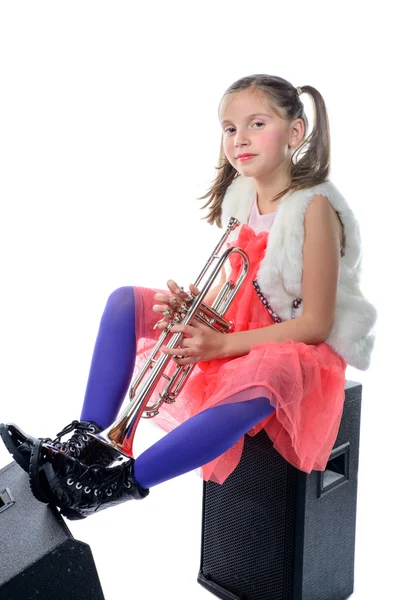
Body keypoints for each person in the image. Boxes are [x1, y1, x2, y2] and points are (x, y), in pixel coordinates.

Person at [0, 74, 377, 521]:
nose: (240, 139)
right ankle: (86, 444)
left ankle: (113, 484)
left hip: (296, 348)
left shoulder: (313, 208)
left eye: (257, 124)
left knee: (272, 368)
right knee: (126, 303)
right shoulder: (244, 198)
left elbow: (314, 323)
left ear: (295, 133)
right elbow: (240, 281)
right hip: (243, 328)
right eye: (230, 128)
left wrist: (219, 344)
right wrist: (197, 307)